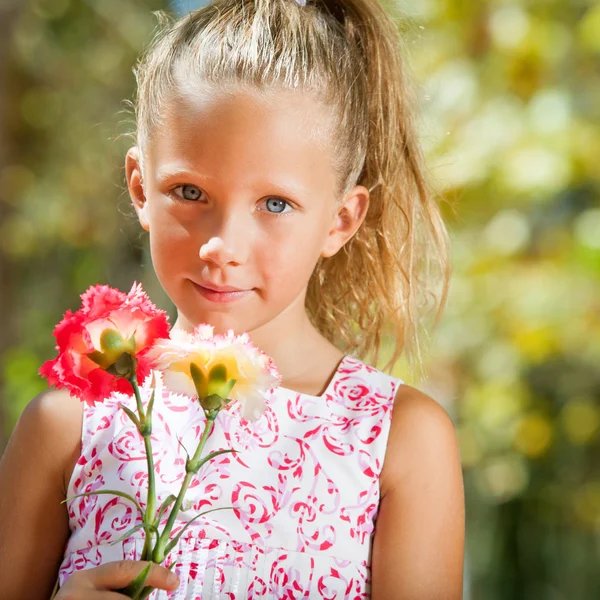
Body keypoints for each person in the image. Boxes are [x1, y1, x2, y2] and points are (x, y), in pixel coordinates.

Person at [0, 0, 465, 598]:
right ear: (141, 188)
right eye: (189, 191)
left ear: (340, 220)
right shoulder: (67, 427)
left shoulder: (398, 440)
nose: (222, 246)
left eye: (275, 204)